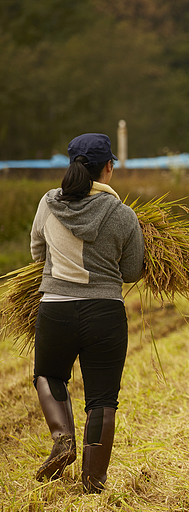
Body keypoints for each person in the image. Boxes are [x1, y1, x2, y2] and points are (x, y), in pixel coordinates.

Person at [30, 133, 145, 493]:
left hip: (55, 311)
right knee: (102, 398)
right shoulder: (123, 214)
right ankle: (94, 481)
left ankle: (63, 438)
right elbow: (131, 272)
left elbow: (37, 254)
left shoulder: (48, 203)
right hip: (105, 314)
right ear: (108, 167)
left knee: (49, 374)